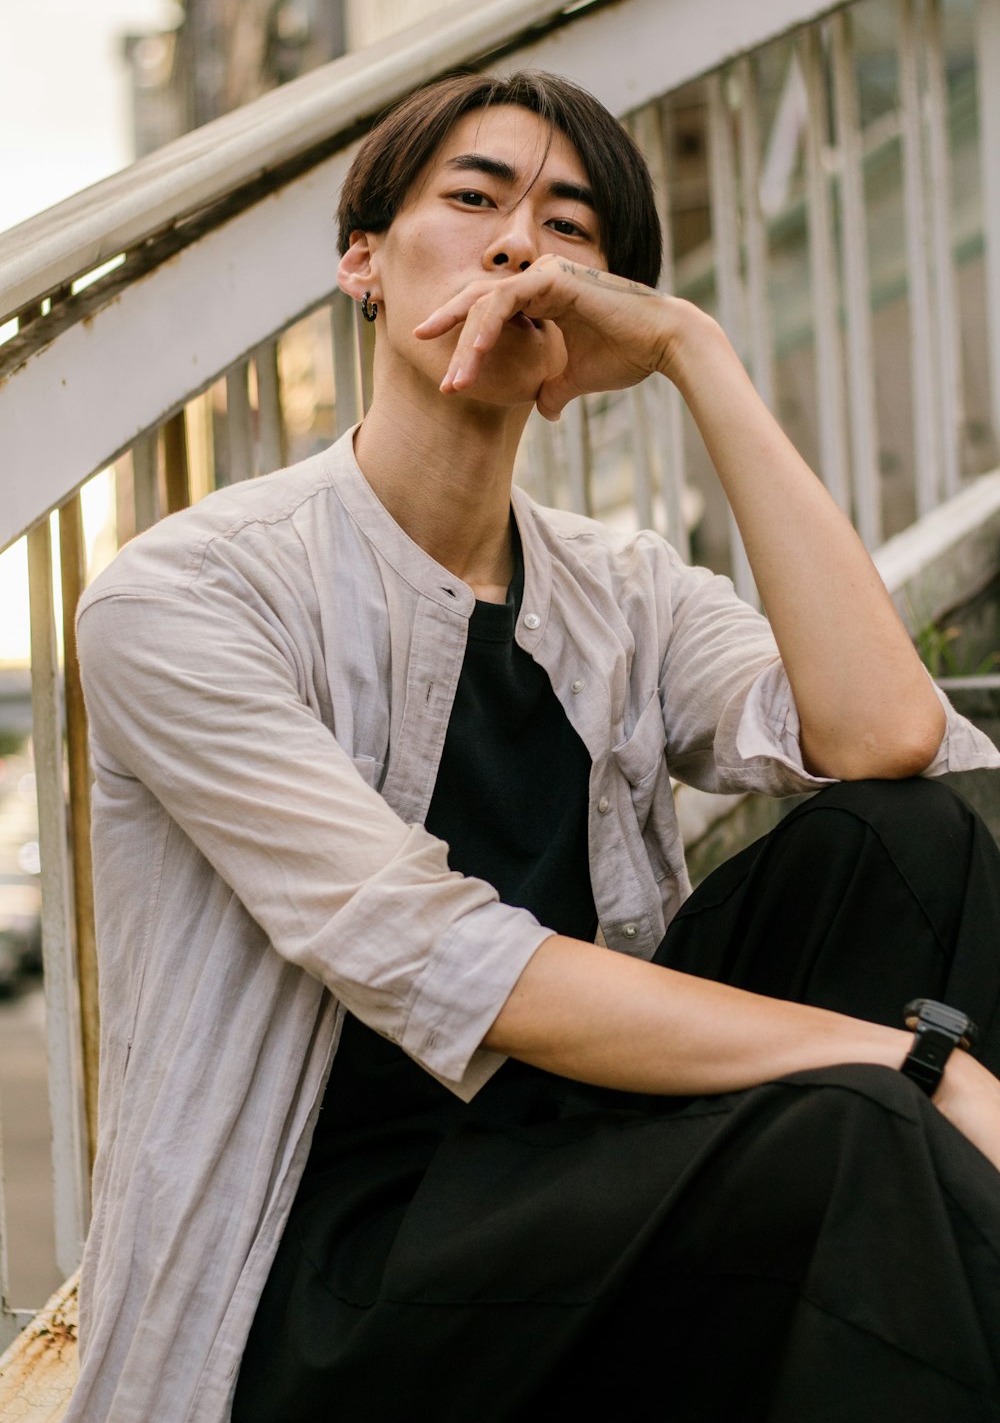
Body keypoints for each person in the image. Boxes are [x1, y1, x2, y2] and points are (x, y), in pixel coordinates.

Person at [69, 70, 1000, 1423]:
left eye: (570, 230)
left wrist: (698, 355)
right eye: (472, 198)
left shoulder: (620, 586)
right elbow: (451, 965)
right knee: (859, 1127)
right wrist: (910, 1060)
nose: (518, 246)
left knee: (904, 840)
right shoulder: (189, 596)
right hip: (335, 1279)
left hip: (578, 1167)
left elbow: (885, 733)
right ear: (364, 263)